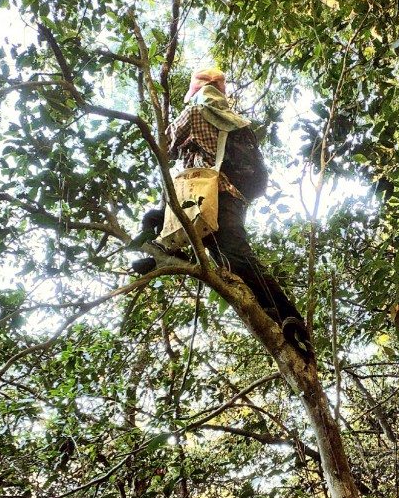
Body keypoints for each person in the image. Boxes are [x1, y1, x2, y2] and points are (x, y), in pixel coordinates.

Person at [133, 67, 312, 358]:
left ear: (198, 89)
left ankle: (289, 317)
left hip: (214, 196)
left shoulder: (195, 110)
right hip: (231, 198)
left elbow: (163, 146)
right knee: (220, 254)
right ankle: (165, 256)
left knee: (236, 256)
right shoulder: (233, 120)